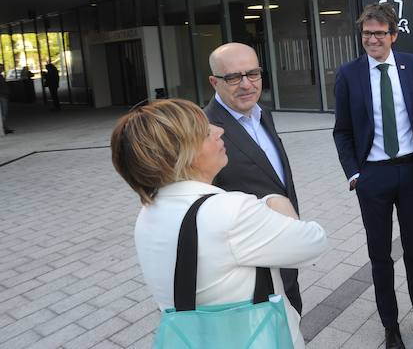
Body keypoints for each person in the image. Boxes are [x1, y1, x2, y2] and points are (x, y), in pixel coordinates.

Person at [110, 99, 327, 349]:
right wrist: (275, 200)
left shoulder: (149, 212)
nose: (219, 131)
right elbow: (314, 242)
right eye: (205, 132)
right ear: (183, 155)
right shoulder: (231, 211)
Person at [333, 3, 413, 349]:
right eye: (366, 33)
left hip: (411, 172)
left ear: (393, 35)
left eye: (379, 33)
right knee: (380, 255)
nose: (372, 39)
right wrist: (354, 174)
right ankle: (390, 326)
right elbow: (341, 131)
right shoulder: (349, 74)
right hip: (373, 177)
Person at [204, 42, 306, 317]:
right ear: (215, 82)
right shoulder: (204, 132)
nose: (246, 84)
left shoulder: (262, 114)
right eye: (234, 77)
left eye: (253, 74)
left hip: (284, 247)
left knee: (292, 321)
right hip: (250, 266)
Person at [0, 64, 11, 134]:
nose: (2, 69)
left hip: (4, 95)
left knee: (4, 113)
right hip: (2, 96)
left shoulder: (1, 76)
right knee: (4, 113)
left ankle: (4, 127)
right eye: (1, 68)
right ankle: (3, 128)